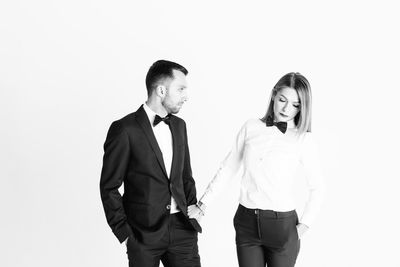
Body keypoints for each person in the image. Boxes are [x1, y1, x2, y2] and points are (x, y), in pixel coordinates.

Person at [188, 72, 324, 267]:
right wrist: (203, 204)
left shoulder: (303, 139)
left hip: (282, 226)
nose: (286, 109)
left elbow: (317, 187)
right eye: (282, 100)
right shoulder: (251, 127)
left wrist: (304, 226)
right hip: (246, 222)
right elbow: (228, 167)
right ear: (273, 95)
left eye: (295, 105)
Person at [100, 60, 201, 267]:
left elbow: (185, 176)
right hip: (142, 234)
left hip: (182, 230)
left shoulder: (180, 126)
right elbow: (109, 186)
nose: (186, 96)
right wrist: (125, 233)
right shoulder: (125, 129)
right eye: (180, 89)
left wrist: (193, 208)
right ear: (161, 90)